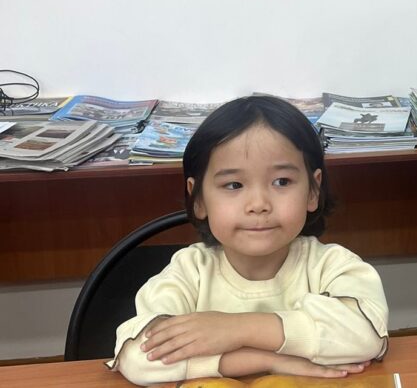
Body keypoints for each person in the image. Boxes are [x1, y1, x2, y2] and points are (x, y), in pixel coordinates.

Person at [107, 96, 388, 384]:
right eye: (234, 185)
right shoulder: (189, 271)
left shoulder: (332, 265)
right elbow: (137, 358)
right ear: (199, 199)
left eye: (282, 182)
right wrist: (269, 361)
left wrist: (237, 329)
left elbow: (367, 334)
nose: (258, 204)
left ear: (313, 191)